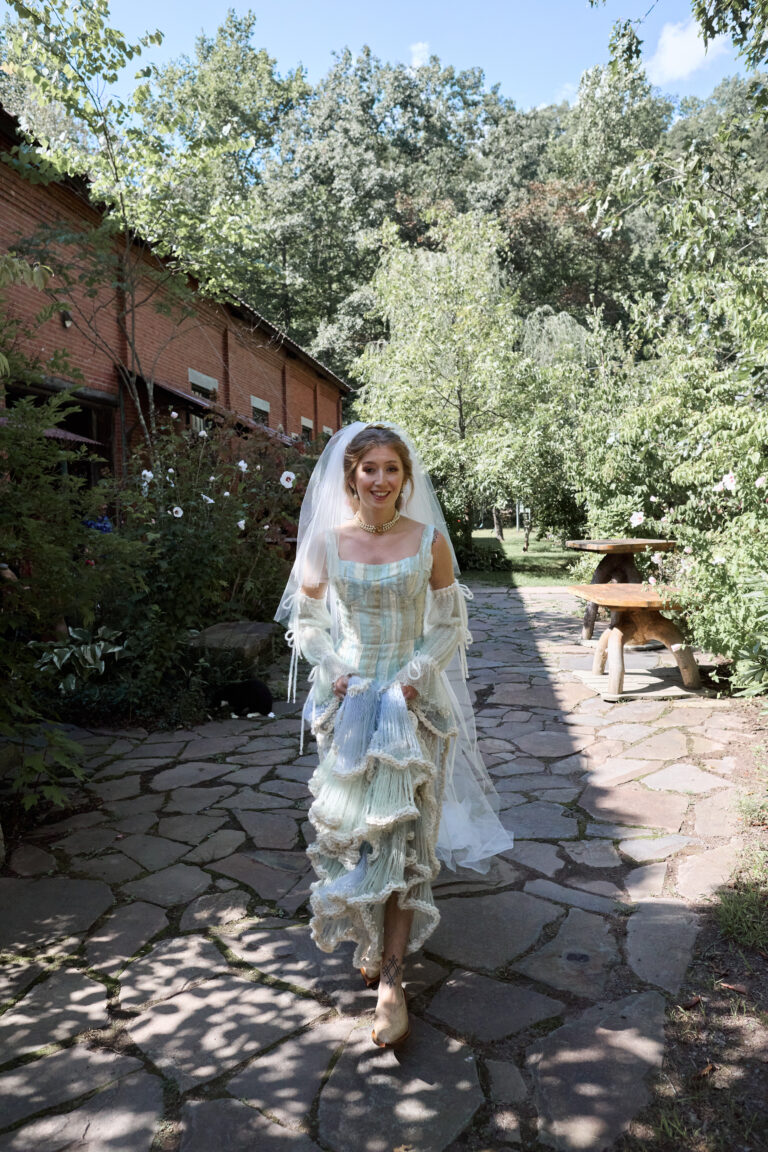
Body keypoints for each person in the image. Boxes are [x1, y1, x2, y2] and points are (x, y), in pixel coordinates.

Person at [275, 422, 513, 1049]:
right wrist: (337, 670)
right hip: (349, 701)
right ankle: (369, 935)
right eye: (369, 469)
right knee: (357, 832)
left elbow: (449, 623)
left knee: (405, 840)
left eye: (391, 469)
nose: (380, 480)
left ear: (406, 478)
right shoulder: (326, 542)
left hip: (413, 704)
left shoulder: (429, 541)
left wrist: (414, 675)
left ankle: (391, 981)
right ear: (351, 475)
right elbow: (309, 620)